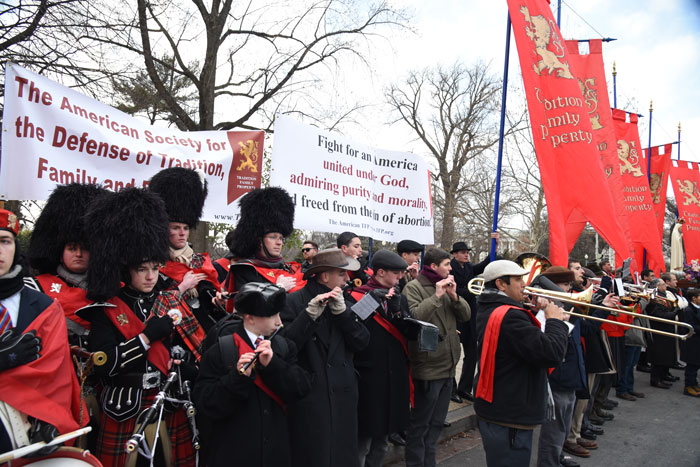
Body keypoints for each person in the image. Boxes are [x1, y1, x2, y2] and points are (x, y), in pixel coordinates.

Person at [81, 188, 198, 467]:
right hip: (125, 406)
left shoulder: (168, 298)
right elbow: (105, 365)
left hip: (169, 403)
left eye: (155, 268)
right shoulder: (106, 308)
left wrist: (180, 355)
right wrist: (147, 337)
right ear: (126, 269)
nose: (150, 276)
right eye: (141, 269)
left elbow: (193, 346)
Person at [194, 282, 311, 466]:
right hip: (234, 454)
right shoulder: (221, 349)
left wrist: (273, 365)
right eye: (272, 315)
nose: (279, 322)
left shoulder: (282, 345)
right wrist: (237, 378)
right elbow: (206, 404)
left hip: (276, 453)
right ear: (250, 318)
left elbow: (301, 389)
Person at [0, 209, 87, 456]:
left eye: (4, 241)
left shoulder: (45, 306)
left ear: (15, 247)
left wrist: (48, 419)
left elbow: (57, 374)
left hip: (25, 430)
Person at [474, 260, 568, 467]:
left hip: (501, 409)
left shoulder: (494, 308)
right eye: (518, 279)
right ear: (500, 284)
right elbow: (550, 353)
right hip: (509, 414)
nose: (524, 284)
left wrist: (535, 313)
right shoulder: (511, 317)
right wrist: (555, 322)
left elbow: (519, 345)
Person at [280, 248, 370, 467]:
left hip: (343, 395)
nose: (348, 279)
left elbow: (362, 342)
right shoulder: (294, 302)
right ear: (324, 276)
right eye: (342, 274)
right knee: (313, 455)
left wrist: (344, 316)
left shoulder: (345, 303)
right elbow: (285, 348)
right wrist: (308, 317)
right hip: (310, 396)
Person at [402, 247, 470, 467]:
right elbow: (414, 317)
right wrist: (436, 296)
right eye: (447, 265)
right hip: (428, 367)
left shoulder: (448, 286)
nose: (451, 269)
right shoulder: (414, 287)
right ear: (433, 267)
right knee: (420, 425)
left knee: (437, 424)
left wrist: (454, 296)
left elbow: (466, 315)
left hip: (448, 365)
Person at [349, 250, 412, 467]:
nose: (400, 277)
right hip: (368, 376)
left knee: (383, 440)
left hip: (393, 377)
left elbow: (408, 333)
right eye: (396, 272)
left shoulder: (399, 297)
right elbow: (351, 328)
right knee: (363, 441)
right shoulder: (357, 295)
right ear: (380, 272)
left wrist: (398, 313)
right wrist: (369, 304)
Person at [25, 183, 107, 344]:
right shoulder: (34, 288)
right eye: (71, 248)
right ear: (60, 253)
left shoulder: (110, 291)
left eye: (85, 248)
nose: (78, 254)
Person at [148, 167, 225, 333]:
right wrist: (182, 287)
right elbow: (153, 304)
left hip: (201, 330)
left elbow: (209, 304)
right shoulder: (153, 262)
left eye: (186, 227)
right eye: (175, 228)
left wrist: (217, 302)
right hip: (171, 331)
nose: (182, 233)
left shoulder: (200, 261)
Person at [227, 187, 305, 308]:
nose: (279, 242)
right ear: (259, 240)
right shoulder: (245, 270)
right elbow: (247, 308)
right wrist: (278, 288)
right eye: (273, 237)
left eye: (281, 238)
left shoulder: (290, 268)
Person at [450, 234, 499, 403]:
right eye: (463, 252)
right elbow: (453, 291)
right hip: (455, 314)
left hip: (470, 316)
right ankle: (452, 389)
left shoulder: (469, 267)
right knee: (453, 355)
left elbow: (485, 265)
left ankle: (465, 388)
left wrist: (495, 245)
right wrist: (470, 291)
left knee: (471, 354)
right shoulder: (449, 268)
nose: (466, 254)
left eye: (467, 252)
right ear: (454, 254)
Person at [646, 278, 680, 390]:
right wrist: (673, 313)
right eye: (663, 284)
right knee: (659, 356)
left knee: (666, 354)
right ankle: (656, 379)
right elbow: (658, 314)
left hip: (666, 330)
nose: (665, 285)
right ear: (657, 286)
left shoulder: (663, 294)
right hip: (659, 330)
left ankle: (663, 375)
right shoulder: (654, 297)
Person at [681, 288, 700, 397]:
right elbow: (690, 326)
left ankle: (694, 383)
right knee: (692, 365)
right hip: (692, 342)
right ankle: (688, 386)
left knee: (697, 364)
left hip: (697, 342)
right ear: (694, 298)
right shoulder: (689, 310)